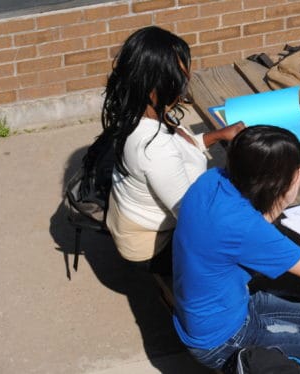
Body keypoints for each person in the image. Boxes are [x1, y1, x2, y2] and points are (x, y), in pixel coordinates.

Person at [172, 125, 300, 372]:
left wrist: (286, 193)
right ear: (273, 181)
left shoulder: (211, 179)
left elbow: (260, 223)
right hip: (223, 339)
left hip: (210, 310)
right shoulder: (244, 228)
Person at [102, 26, 244, 270]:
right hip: (153, 245)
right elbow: (195, 221)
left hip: (132, 219)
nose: (185, 81)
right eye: (179, 78)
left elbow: (181, 149)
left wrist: (217, 135)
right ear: (156, 84)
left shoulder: (136, 110)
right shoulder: (155, 147)